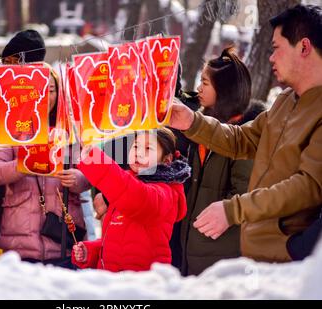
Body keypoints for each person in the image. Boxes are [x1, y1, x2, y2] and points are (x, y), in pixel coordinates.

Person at [169, 4, 322, 263]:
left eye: (276, 48)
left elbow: (308, 186)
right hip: (257, 255)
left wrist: (233, 210)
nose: (271, 57)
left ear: (304, 47)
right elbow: (243, 139)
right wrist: (192, 121)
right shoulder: (285, 100)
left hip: (289, 260)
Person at [0, 33, 90, 267]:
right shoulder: (12, 127)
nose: (46, 95)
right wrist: (22, 166)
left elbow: (91, 171)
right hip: (19, 244)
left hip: (64, 239)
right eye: (40, 89)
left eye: (51, 89)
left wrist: (78, 179)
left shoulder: (70, 128)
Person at [179, 47, 266, 276]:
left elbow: (245, 193)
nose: (198, 88)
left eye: (205, 83)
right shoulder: (202, 128)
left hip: (220, 254)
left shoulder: (245, 136)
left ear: (224, 90)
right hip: (193, 247)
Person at [72, 128, 190, 272]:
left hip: (143, 283)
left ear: (166, 160)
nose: (139, 153)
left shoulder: (165, 192)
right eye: (136, 146)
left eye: (148, 148)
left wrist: (96, 161)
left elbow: (138, 198)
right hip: (115, 282)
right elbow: (119, 241)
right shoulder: (128, 183)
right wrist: (91, 252)